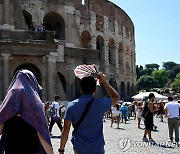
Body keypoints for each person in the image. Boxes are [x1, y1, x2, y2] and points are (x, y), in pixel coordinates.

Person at [59, 73, 120, 154]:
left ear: (81, 89)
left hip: (79, 148)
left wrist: (61, 150)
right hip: (97, 148)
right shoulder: (100, 104)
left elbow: (66, 129)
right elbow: (116, 97)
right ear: (95, 90)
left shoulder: (71, 106)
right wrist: (104, 82)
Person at [0, 69, 53, 154]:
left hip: (10, 149)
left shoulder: (8, 103)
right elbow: (41, 134)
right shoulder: (36, 105)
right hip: (31, 148)